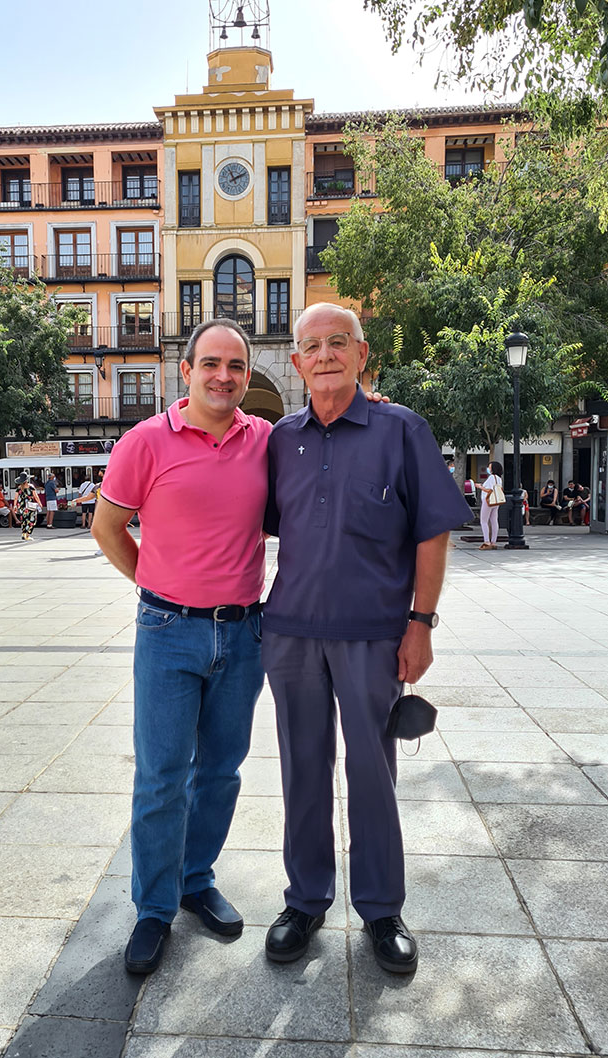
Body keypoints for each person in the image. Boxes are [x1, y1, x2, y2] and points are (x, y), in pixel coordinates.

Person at [261, 304, 471, 975]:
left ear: (361, 354)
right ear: (296, 363)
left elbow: (431, 532)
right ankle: (306, 899)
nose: (324, 355)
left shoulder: (401, 429)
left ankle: (381, 909)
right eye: (312, 347)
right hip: (291, 631)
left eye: (338, 343)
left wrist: (422, 623)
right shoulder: (278, 439)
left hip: (374, 637)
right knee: (301, 770)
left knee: (372, 773)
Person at [92, 318, 272, 976]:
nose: (224, 375)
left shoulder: (267, 444)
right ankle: (153, 908)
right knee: (162, 776)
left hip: (245, 631)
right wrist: (157, 582)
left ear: (248, 377)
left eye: (236, 366)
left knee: (221, 771)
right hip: (168, 632)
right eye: (211, 364)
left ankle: (196, 879)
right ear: (187, 371)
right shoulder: (145, 442)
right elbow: (108, 527)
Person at [478, 461, 504, 550]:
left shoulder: (491, 478)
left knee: (484, 521)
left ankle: (486, 541)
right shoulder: (499, 478)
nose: (488, 469)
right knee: (494, 520)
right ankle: (493, 541)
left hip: (488, 501)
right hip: (496, 501)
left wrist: (480, 486)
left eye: (489, 467)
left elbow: (489, 490)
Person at [14, 473, 41, 541]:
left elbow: (15, 498)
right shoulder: (31, 487)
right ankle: (27, 535)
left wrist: (15, 505)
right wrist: (40, 503)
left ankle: (23, 534)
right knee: (32, 520)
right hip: (30, 506)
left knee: (24, 520)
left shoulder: (19, 488)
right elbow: (36, 496)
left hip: (21, 507)